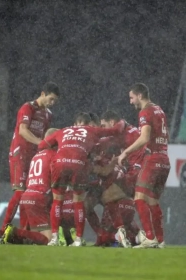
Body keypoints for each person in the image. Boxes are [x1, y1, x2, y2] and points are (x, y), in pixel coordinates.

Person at [0, 82, 59, 241]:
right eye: (50, 99)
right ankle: (3, 229)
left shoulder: (48, 115)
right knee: (20, 192)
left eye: (55, 101)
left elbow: (45, 135)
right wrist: (41, 144)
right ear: (42, 94)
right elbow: (23, 130)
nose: (52, 103)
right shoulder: (27, 108)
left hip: (34, 156)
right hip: (20, 153)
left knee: (29, 193)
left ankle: (22, 231)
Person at [38, 112, 125, 246]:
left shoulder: (63, 130)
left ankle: (54, 238)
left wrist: (61, 147)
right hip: (79, 165)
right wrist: (122, 123)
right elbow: (115, 131)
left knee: (57, 201)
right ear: (87, 124)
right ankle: (78, 239)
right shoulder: (91, 130)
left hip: (60, 163)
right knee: (79, 202)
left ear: (75, 123)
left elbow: (41, 145)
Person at [118, 83, 170, 249]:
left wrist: (125, 152)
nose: (131, 102)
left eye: (132, 97)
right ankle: (160, 240)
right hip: (164, 159)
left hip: (153, 158)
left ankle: (149, 237)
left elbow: (144, 137)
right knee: (153, 201)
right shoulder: (159, 109)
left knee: (139, 198)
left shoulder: (145, 111)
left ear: (139, 96)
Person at [0, 128, 58, 245]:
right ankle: (14, 231)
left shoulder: (36, 156)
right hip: (39, 198)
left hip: (27, 196)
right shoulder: (54, 155)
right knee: (48, 239)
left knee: (32, 237)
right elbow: (55, 179)